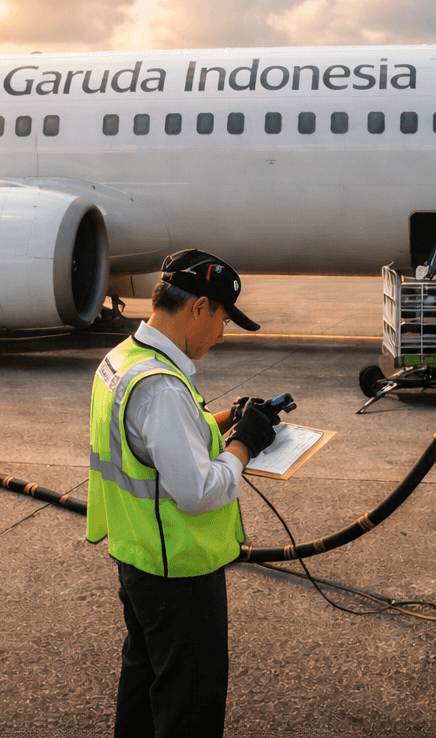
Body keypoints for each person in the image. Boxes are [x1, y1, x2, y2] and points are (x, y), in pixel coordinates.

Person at [86, 249, 283, 738]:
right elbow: (196, 491)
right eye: (222, 320)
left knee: (145, 681)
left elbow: (152, 441)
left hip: (138, 556)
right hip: (180, 569)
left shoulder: (125, 360)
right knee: (188, 705)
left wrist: (223, 419)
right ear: (198, 308)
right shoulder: (162, 389)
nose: (221, 335)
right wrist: (245, 442)